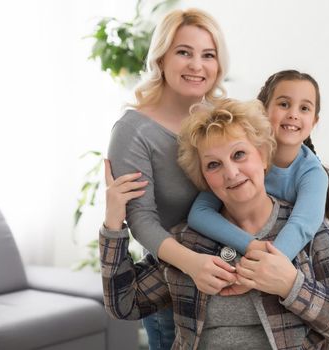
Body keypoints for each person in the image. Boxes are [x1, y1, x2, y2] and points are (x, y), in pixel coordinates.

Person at [100, 99, 329, 350]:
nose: (231, 173)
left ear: (263, 157)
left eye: (239, 154)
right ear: (204, 178)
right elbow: (125, 304)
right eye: (214, 165)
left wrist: (291, 285)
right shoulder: (189, 241)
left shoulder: (309, 232)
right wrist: (113, 223)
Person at [103, 8, 236, 350]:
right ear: (161, 59)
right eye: (184, 52)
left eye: (208, 55)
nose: (197, 65)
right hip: (172, 290)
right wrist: (194, 265)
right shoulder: (133, 131)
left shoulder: (221, 119)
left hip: (228, 283)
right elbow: (142, 220)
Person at [188, 70, 329, 264]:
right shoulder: (242, 162)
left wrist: (264, 266)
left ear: (314, 121)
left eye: (304, 108)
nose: (293, 114)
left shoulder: (313, 173)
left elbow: (301, 227)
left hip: (284, 261)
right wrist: (250, 245)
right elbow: (199, 213)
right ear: (262, 110)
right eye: (284, 104)